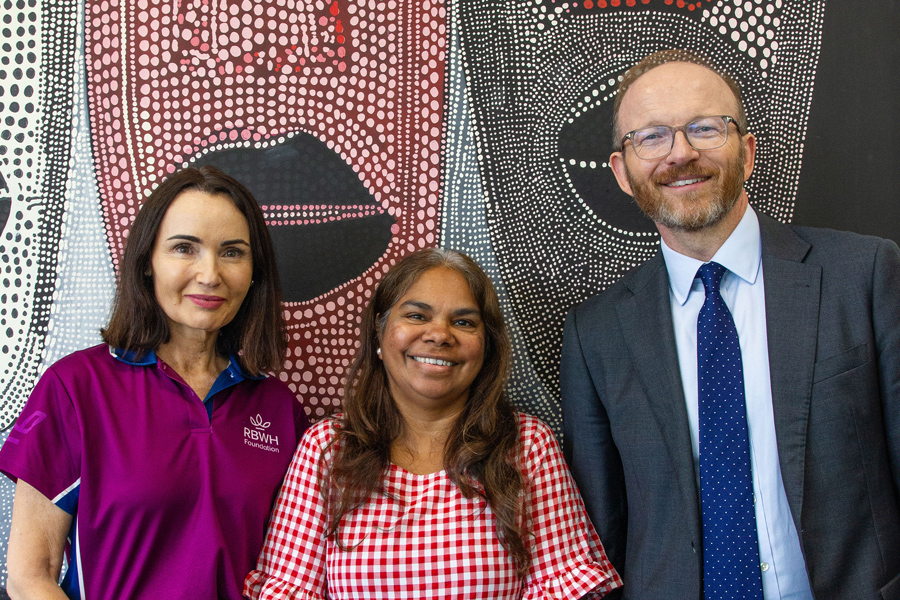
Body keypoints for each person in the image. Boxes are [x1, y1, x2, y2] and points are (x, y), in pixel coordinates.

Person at [560, 48, 900, 600]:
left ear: (745, 152)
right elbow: (603, 531)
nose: (681, 153)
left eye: (704, 128)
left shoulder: (863, 276)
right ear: (623, 172)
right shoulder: (595, 334)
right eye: (651, 137)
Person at [1, 166, 310, 599]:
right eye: (185, 248)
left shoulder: (279, 408)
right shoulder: (74, 388)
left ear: (255, 272)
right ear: (147, 262)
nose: (210, 274)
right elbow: (30, 575)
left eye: (233, 252)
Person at [244, 247, 622, 599]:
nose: (439, 334)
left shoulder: (526, 446)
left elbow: (561, 588)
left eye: (463, 321)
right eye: (417, 315)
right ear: (380, 331)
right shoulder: (327, 449)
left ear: (486, 345)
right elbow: (290, 590)